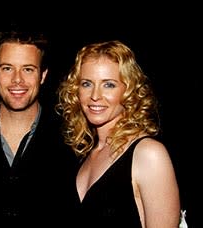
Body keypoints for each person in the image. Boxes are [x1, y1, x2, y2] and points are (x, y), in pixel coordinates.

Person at [55, 40, 181, 227]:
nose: (95, 95)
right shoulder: (83, 155)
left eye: (109, 85)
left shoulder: (148, 154)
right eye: (87, 83)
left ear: (128, 90)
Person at [0, 29, 79, 228]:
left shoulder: (73, 137)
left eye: (28, 69)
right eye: (7, 68)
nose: (17, 79)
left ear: (43, 75)